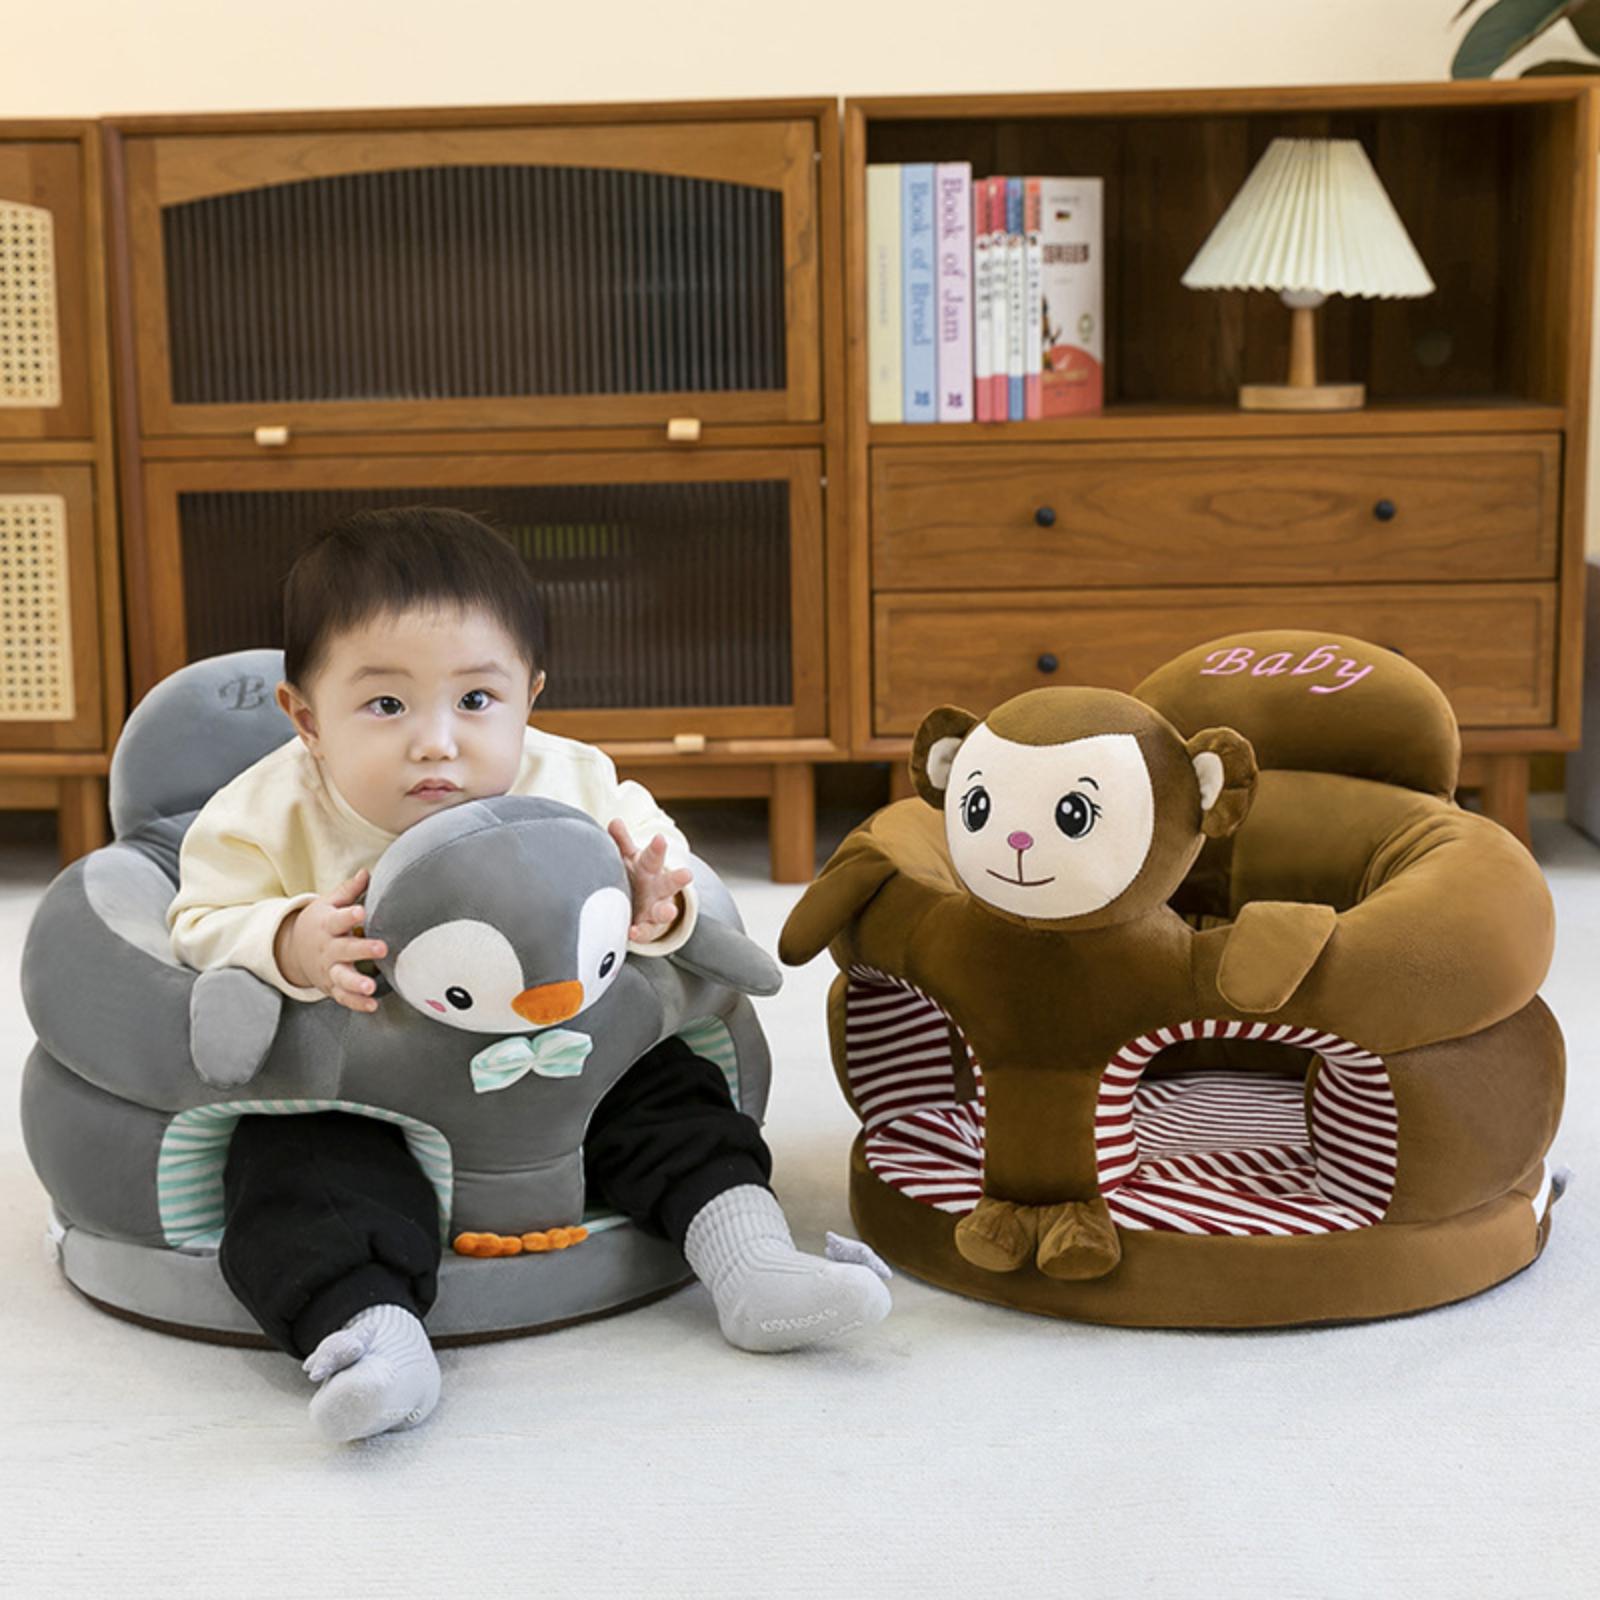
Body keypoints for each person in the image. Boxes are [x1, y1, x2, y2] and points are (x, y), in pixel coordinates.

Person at [166, 506, 890, 1444]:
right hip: (373, 1100)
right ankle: (371, 1335)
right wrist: (290, 938)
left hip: (566, 1069)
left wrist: (653, 905)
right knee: (297, 1169)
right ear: (306, 718)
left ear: (529, 696)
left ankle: (752, 1262)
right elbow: (196, 923)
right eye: (386, 706)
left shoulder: (574, 782)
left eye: (476, 700)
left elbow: (665, 870)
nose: (437, 741)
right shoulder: (264, 813)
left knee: (674, 1094)